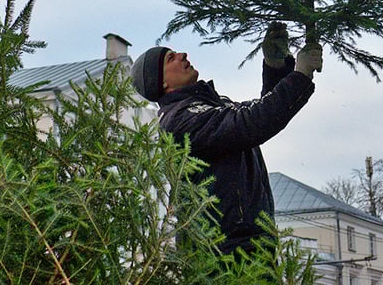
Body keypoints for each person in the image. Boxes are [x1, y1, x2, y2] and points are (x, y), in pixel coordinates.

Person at [130, 22, 322, 255]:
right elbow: (252, 123)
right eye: (171, 59)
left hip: (250, 244)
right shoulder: (179, 121)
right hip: (222, 253)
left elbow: (260, 110)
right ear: (161, 83)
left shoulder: (213, 105)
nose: (182, 55)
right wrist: (300, 76)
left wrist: (276, 67)